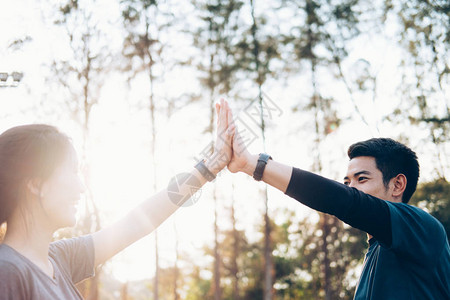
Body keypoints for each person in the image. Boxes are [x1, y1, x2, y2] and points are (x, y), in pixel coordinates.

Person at [0, 99, 236, 299]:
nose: (81, 187)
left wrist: (210, 167)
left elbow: (137, 222)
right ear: (35, 183)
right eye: (72, 171)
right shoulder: (7, 272)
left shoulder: (59, 259)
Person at [221, 100, 450, 299]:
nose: (351, 188)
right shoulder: (374, 253)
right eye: (347, 182)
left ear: (397, 184)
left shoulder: (423, 230)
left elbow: (346, 201)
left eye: (361, 179)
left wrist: (252, 164)